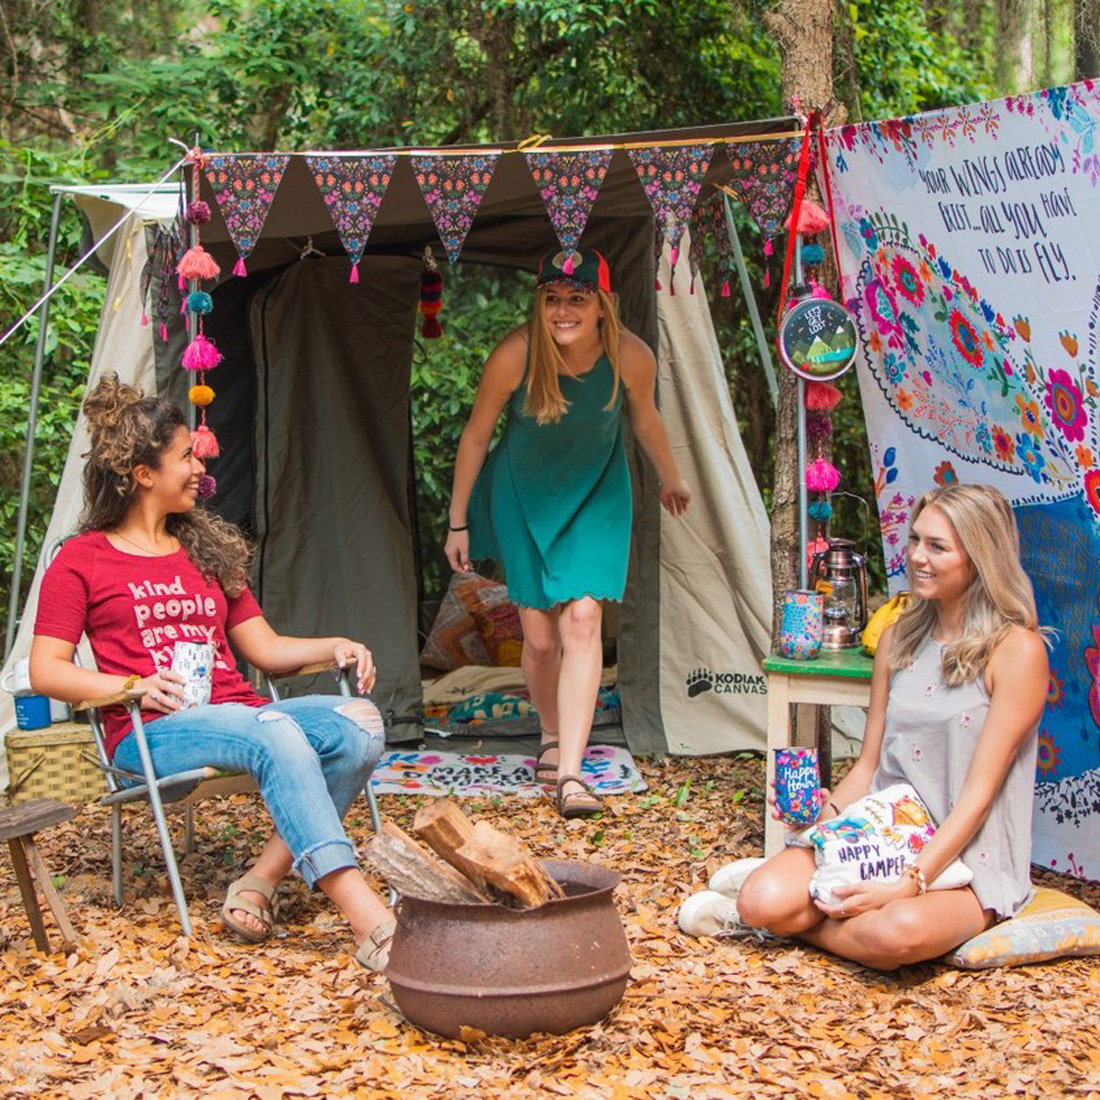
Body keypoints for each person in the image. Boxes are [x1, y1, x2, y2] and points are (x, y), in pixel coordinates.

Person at [29, 375, 395, 971]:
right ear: (143, 474)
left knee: (360, 723)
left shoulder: (206, 550)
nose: (201, 468)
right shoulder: (82, 560)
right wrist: (132, 687)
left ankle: (259, 880)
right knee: (274, 730)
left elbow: (264, 647)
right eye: (186, 457)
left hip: (242, 717)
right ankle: (370, 918)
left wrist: (338, 645)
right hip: (151, 729)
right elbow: (47, 670)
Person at [679, 484, 1049, 970]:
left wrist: (908, 883)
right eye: (915, 540)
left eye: (937, 547)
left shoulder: (1017, 651)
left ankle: (789, 924)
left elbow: (978, 798)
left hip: (970, 856)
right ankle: (772, 913)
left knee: (894, 933)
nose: (917, 556)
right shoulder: (898, 639)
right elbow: (870, 764)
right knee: (759, 899)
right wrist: (823, 813)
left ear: (980, 558)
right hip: (880, 837)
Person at [445, 248, 691, 818]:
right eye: (552, 298)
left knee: (582, 619)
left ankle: (572, 775)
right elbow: (476, 436)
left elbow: (645, 419)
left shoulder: (630, 355)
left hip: (597, 492)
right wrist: (458, 521)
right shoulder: (516, 354)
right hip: (523, 497)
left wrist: (671, 478)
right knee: (539, 640)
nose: (563, 310)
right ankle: (551, 732)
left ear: (602, 304)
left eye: (577, 298)